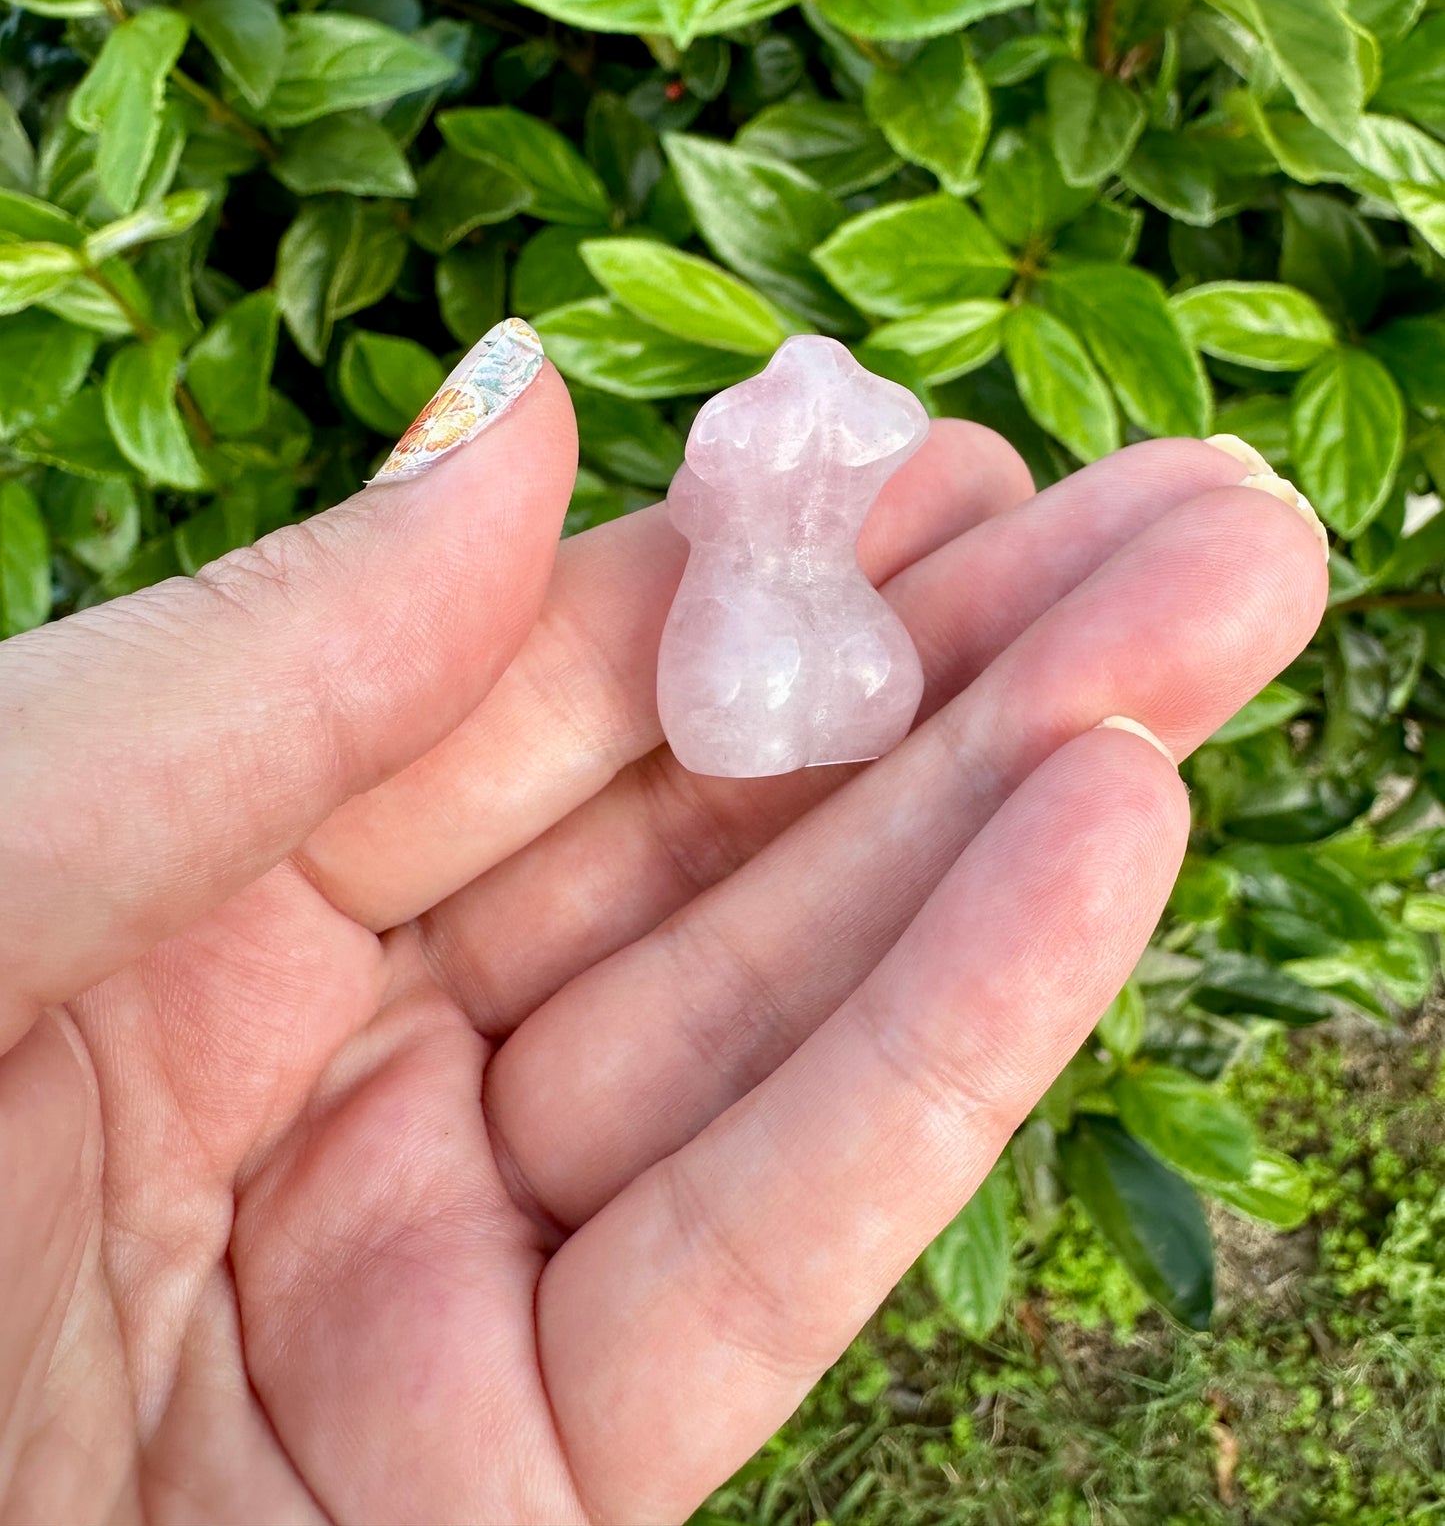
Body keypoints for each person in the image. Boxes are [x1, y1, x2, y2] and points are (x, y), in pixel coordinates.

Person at [0, 346, 1328, 1525]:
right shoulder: (763, 452)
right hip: (746, 649)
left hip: (796, 641)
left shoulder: (816, 449)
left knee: (875, 696)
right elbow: (722, 510)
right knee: (818, 694)